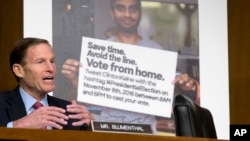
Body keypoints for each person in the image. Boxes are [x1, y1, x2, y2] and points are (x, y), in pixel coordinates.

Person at [61, 0, 199, 134]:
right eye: (121, 8)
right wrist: (74, 79)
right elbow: (91, 99)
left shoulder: (156, 51)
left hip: (146, 132)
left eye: (133, 9)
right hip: (108, 130)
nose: (127, 14)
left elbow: (168, 98)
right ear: (112, 12)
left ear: (139, 12)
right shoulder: (101, 51)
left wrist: (185, 85)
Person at [0, 37, 93, 130]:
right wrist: (16, 126)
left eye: (52, 61)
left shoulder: (70, 113)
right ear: (19, 71)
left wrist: (92, 126)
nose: (51, 68)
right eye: (40, 62)